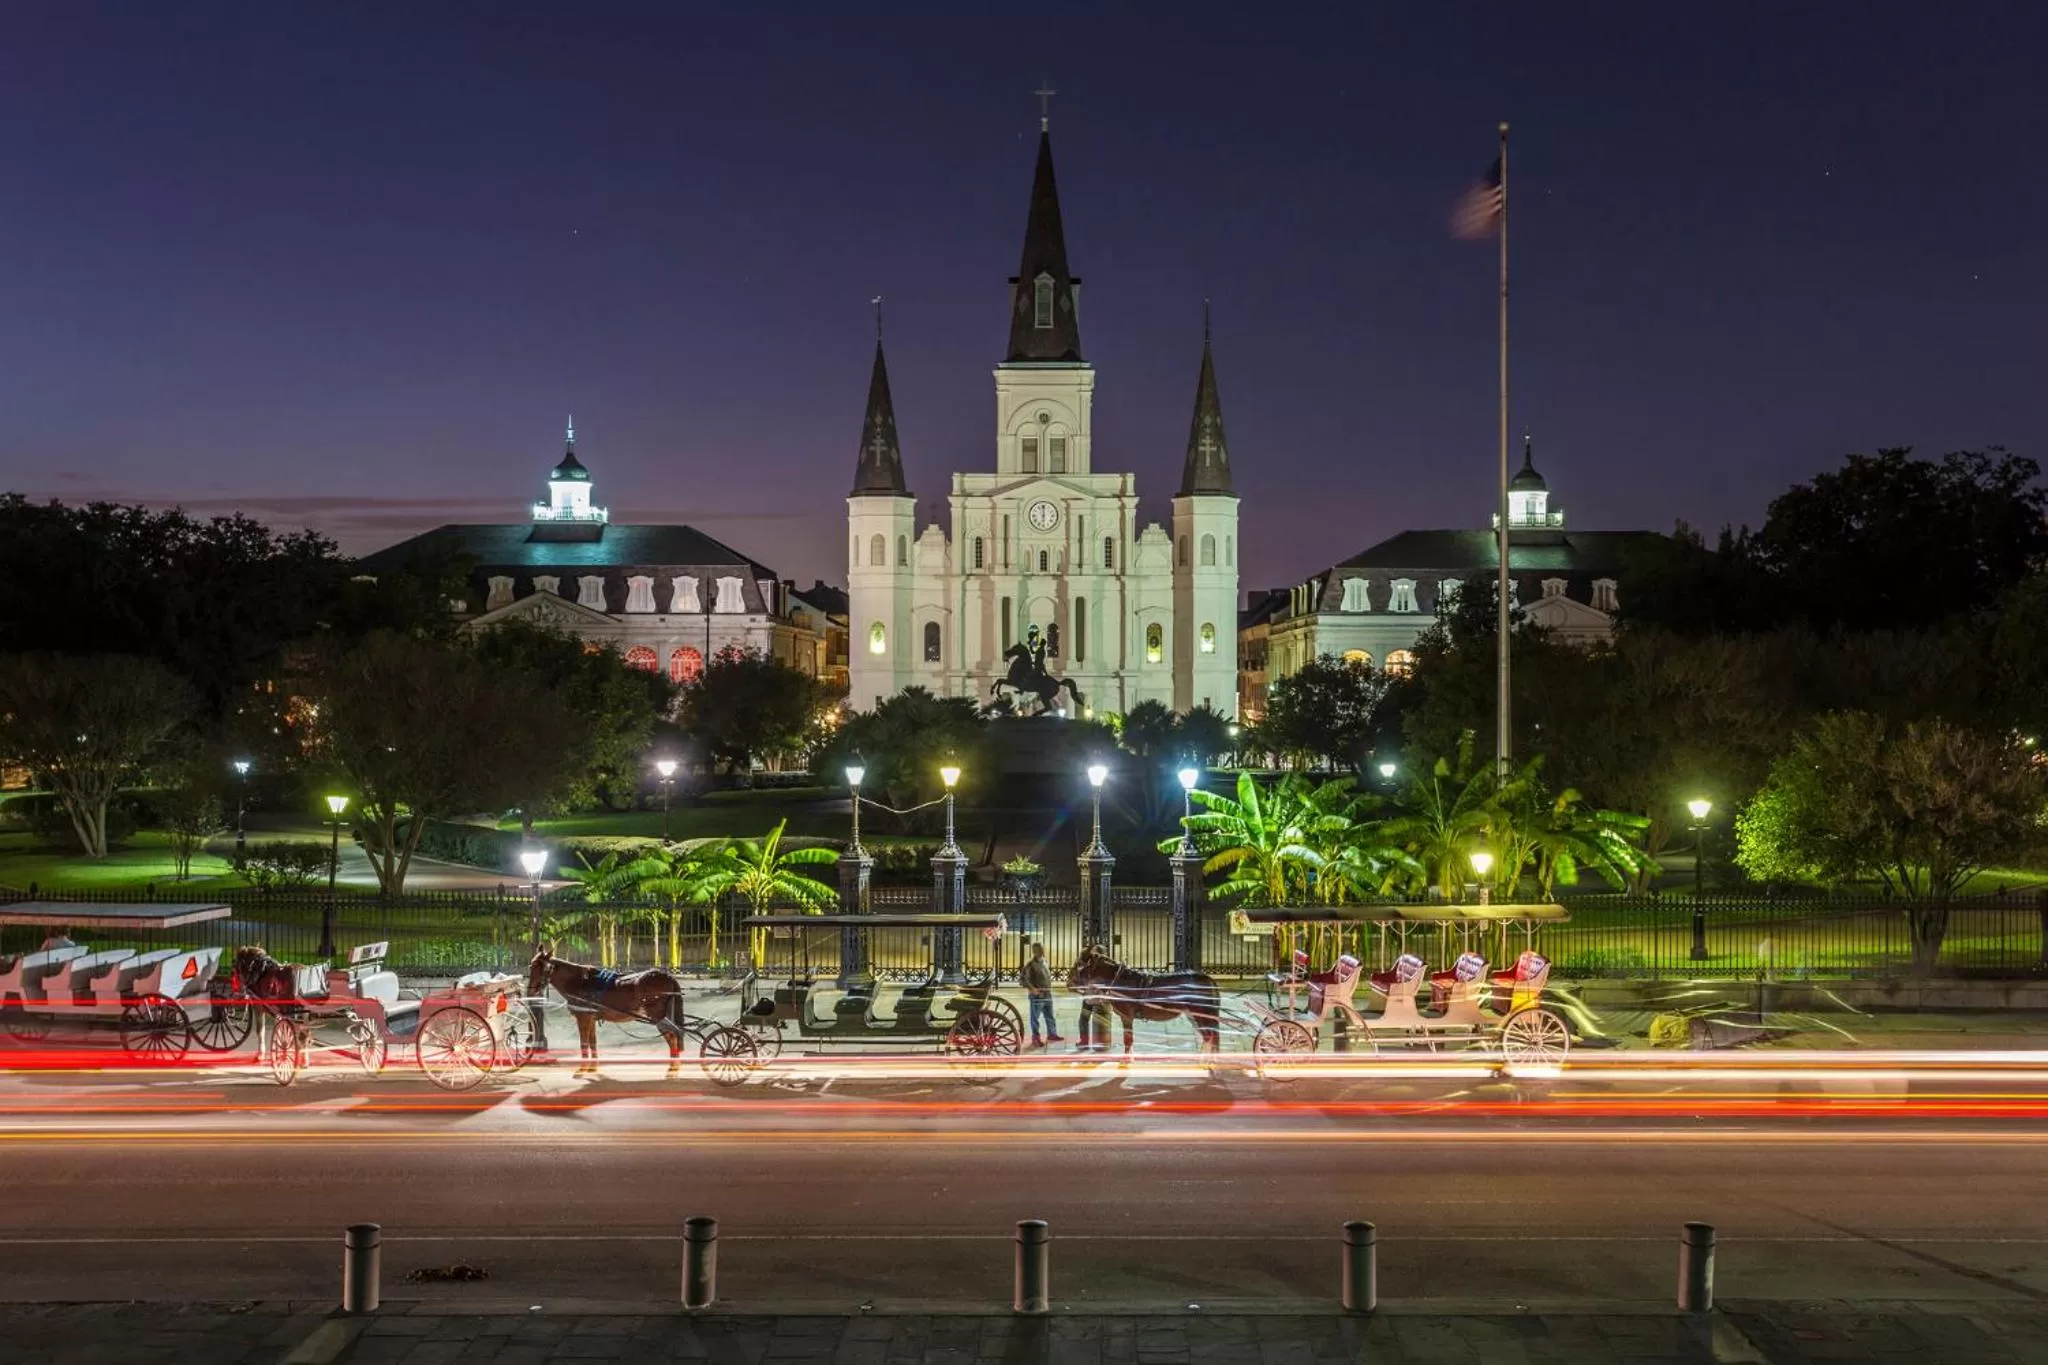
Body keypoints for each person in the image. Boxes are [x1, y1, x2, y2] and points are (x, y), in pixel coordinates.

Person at [1021, 942, 1060, 1048]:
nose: (1042, 951)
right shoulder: (1030, 964)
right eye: (1039, 949)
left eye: (1042, 949)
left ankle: (1052, 1034)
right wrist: (1032, 989)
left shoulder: (1045, 961)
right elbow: (1022, 979)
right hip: (1037, 996)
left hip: (1047, 994)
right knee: (1035, 1018)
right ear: (1034, 951)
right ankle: (1036, 1038)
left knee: (1049, 1015)